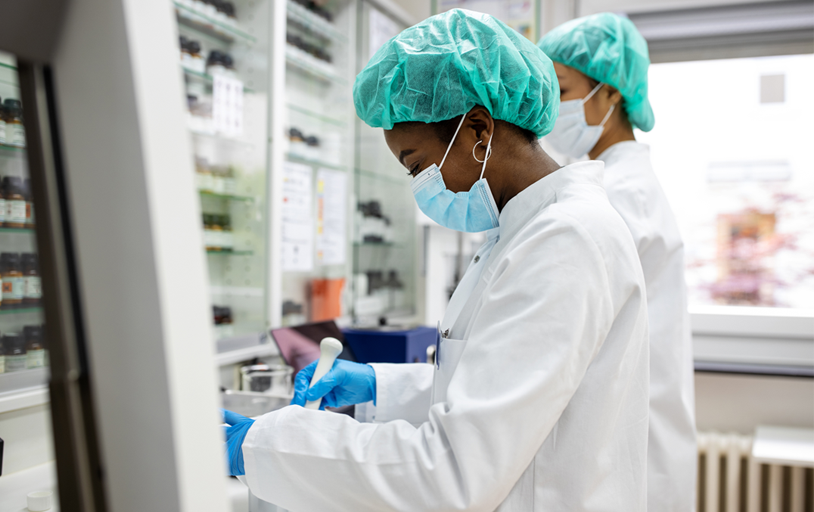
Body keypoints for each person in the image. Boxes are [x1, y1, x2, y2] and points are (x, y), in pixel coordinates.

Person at [223, 9, 650, 511]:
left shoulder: (564, 242)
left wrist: (268, 447)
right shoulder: (523, 231)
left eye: (418, 165)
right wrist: (380, 385)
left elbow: (451, 473)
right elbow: (493, 384)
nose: (421, 187)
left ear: (478, 131)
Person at [538, 13, 697, 512]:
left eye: (561, 90)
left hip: (630, 454)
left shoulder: (621, 197)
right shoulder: (609, 185)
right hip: (632, 442)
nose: (548, 110)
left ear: (610, 95)